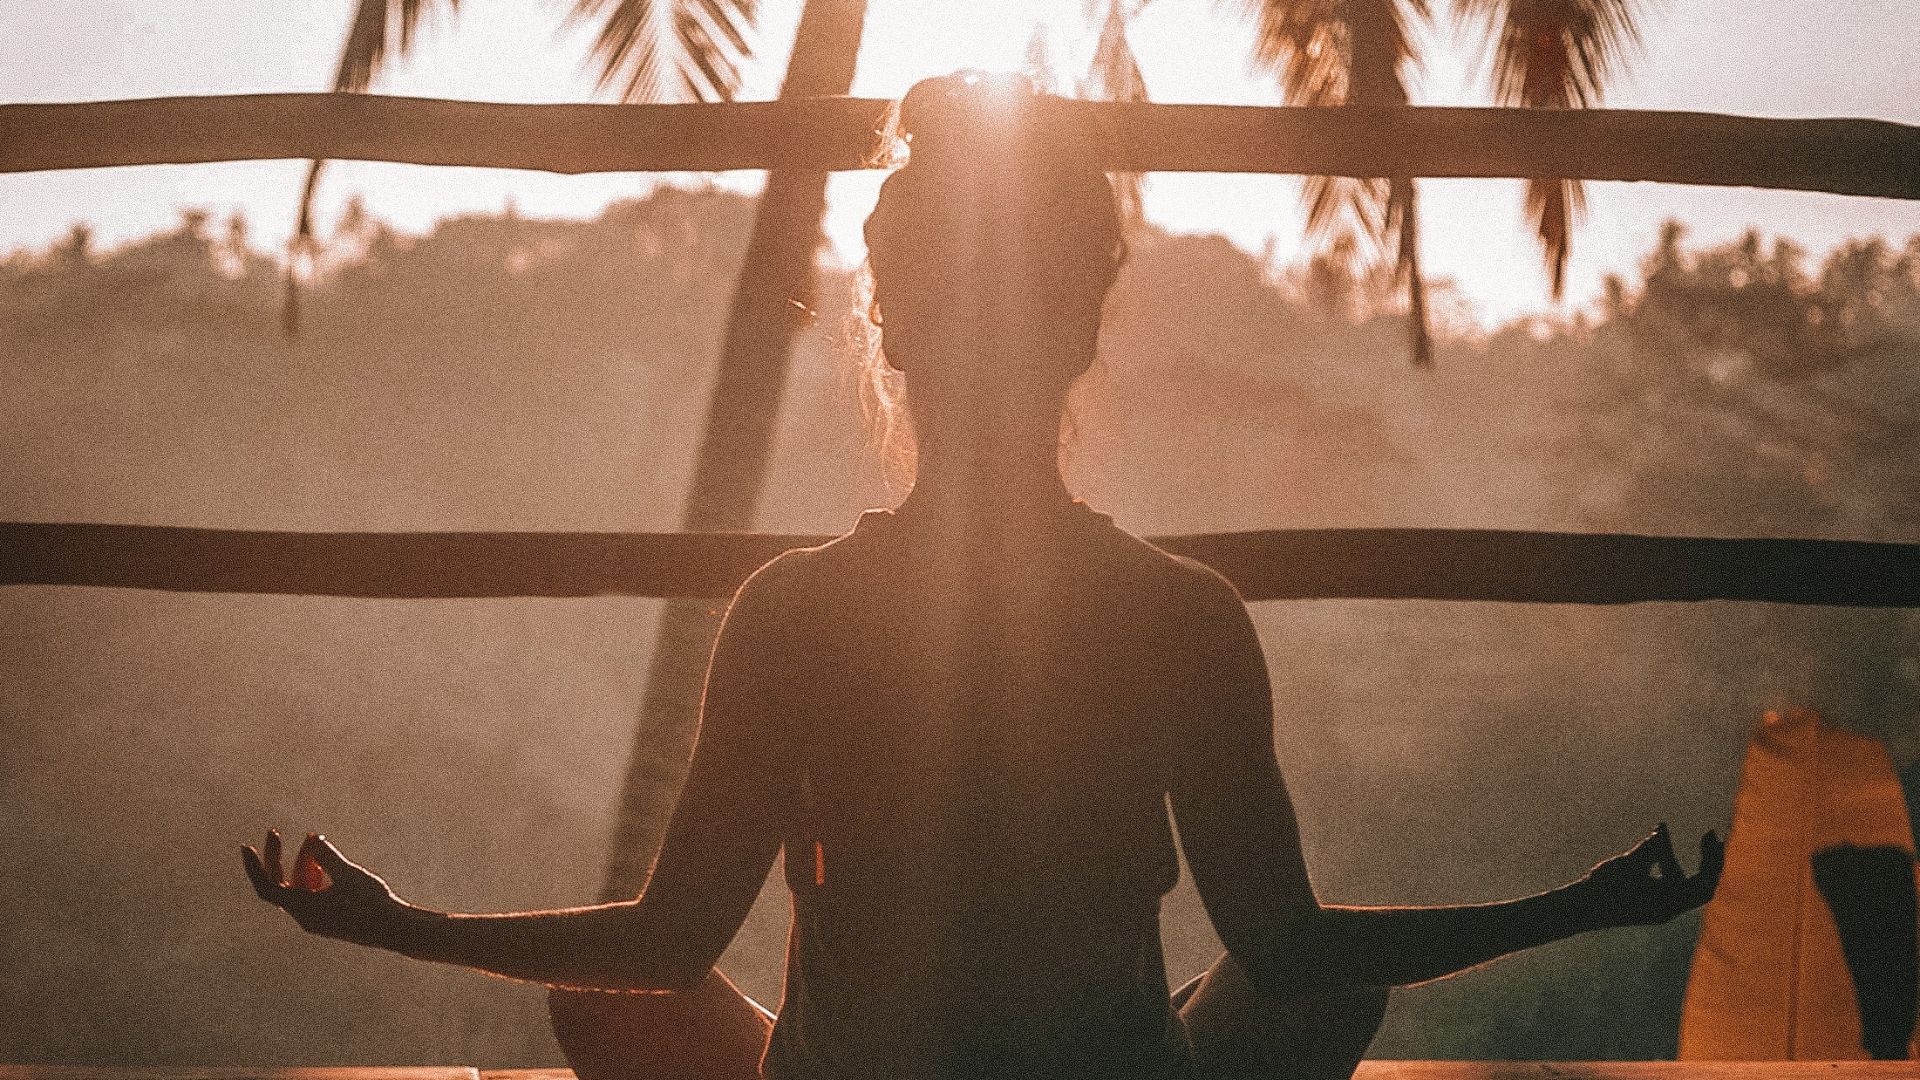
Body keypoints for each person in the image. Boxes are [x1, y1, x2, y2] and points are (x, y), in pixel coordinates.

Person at [243, 72, 1724, 1080]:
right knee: (1335, 979)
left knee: (601, 1000)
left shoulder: (796, 614)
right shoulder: (1180, 619)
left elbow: (666, 943)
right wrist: (1578, 908)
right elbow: (1288, 949)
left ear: (888, 327)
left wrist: (397, 922)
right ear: (1084, 331)